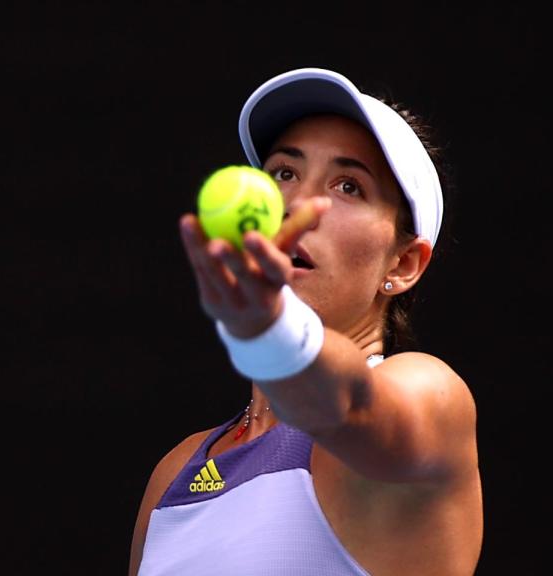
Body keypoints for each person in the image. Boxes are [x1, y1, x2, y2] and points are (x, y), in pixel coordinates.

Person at [128, 67, 482, 576]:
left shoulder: (428, 397)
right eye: (283, 173)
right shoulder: (174, 475)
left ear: (403, 265)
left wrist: (271, 331)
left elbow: (345, 405)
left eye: (348, 185)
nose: (296, 203)